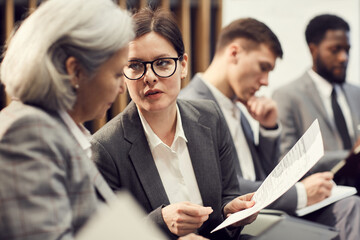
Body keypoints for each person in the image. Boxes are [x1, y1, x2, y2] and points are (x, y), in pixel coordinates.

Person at [0, 1, 205, 240]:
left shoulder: (57, 131)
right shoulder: (28, 135)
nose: (121, 89)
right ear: (75, 71)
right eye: (118, 73)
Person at [179, 17, 360, 240]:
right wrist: (300, 193)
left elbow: (265, 174)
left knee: (349, 206)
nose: (265, 81)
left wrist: (268, 129)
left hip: (266, 213)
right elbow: (223, 185)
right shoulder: (191, 106)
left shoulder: (238, 107)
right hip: (237, 223)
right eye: (263, 67)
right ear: (234, 53)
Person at [91, 8, 258, 240]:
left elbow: (227, 196)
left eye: (162, 63)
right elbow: (106, 234)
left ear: (183, 65)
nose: (149, 77)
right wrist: (162, 220)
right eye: (136, 66)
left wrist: (230, 209)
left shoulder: (210, 117)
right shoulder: (105, 148)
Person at [272, 14, 360, 184]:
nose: (344, 58)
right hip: (322, 195)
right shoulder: (287, 96)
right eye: (335, 50)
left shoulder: (357, 93)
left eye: (347, 49)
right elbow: (286, 160)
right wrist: (349, 156)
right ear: (313, 50)